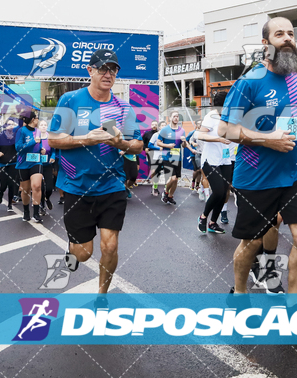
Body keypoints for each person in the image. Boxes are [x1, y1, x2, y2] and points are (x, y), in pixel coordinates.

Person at [220, 17, 297, 302]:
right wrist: (268, 139)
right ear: (266, 44)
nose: (287, 38)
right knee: (251, 243)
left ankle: (294, 305)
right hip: (256, 177)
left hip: (293, 173)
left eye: (291, 33)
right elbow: (226, 129)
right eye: (279, 34)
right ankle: (239, 292)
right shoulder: (248, 82)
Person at [48, 50, 142, 298]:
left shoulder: (123, 107)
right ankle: (72, 251)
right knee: (84, 253)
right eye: (102, 68)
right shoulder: (70, 100)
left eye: (113, 69)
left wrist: (121, 144)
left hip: (112, 185)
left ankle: (102, 296)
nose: (108, 74)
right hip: (76, 186)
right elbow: (54, 140)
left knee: (110, 245)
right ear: (89, 71)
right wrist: (87, 139)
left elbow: (138, 144)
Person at [196, 90, 233, 234]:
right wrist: (218, 139)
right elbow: (200, 135)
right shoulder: (210, 116)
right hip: (210, 160)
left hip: (226, 159)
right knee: (218, 192)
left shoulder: (230, 116)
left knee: (224, 194)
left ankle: (213, 222)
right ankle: (203, 216)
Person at [15, 109, 46, 223]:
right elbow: (18, 148)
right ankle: (26, 212)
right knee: (26, 189)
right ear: (33, 119)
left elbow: (39, 144)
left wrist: (41, 149)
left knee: (36, 186)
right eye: (37, 118)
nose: (38, 120)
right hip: (23, 163)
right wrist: (33, 142)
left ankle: (36, 213)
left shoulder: (38, 131)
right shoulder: (21, 131)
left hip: (36, 162)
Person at [156, 112, 185, 205]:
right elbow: (158, 142)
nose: (176, 118)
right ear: (170, 118)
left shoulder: (181, 130)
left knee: (176, 179)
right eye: (174, 116)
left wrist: (184, 141)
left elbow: (183, 145)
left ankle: (170, 196)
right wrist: (167, 145)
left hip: (177, 157)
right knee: (172, 178)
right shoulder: (164, 130)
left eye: (177, 116)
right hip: (167, 156)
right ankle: (165, 191)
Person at [0, 118, 18, 211]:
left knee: (11, 184)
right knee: (3, 184)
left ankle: (9, 204)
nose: (10, 126)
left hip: (13, 163)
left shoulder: (16, 137)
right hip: (2, 163)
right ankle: (1, 193)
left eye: (12, 124)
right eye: (8, 124)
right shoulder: (0, 137)